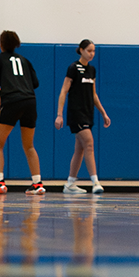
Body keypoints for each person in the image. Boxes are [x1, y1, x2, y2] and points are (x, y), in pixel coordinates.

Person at [0, 31, 43, 195]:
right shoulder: (25, 60)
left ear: (1, 44)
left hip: (11, 101)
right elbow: (36, 83)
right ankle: (37, 184)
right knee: (29, 145)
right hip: (30, 101)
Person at [54, 39, 111, 194]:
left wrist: (103, 113)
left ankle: (70, 184)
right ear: (81, 50)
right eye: (89, 50)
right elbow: (63, 91)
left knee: (79, 149)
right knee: (89, 143)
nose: (92, 54)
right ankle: (95, 182)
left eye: (93, 51)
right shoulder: (73, 68)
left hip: (88, 113)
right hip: (76, 114)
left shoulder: (92, 70)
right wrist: (59, 115)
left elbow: (93, 95)